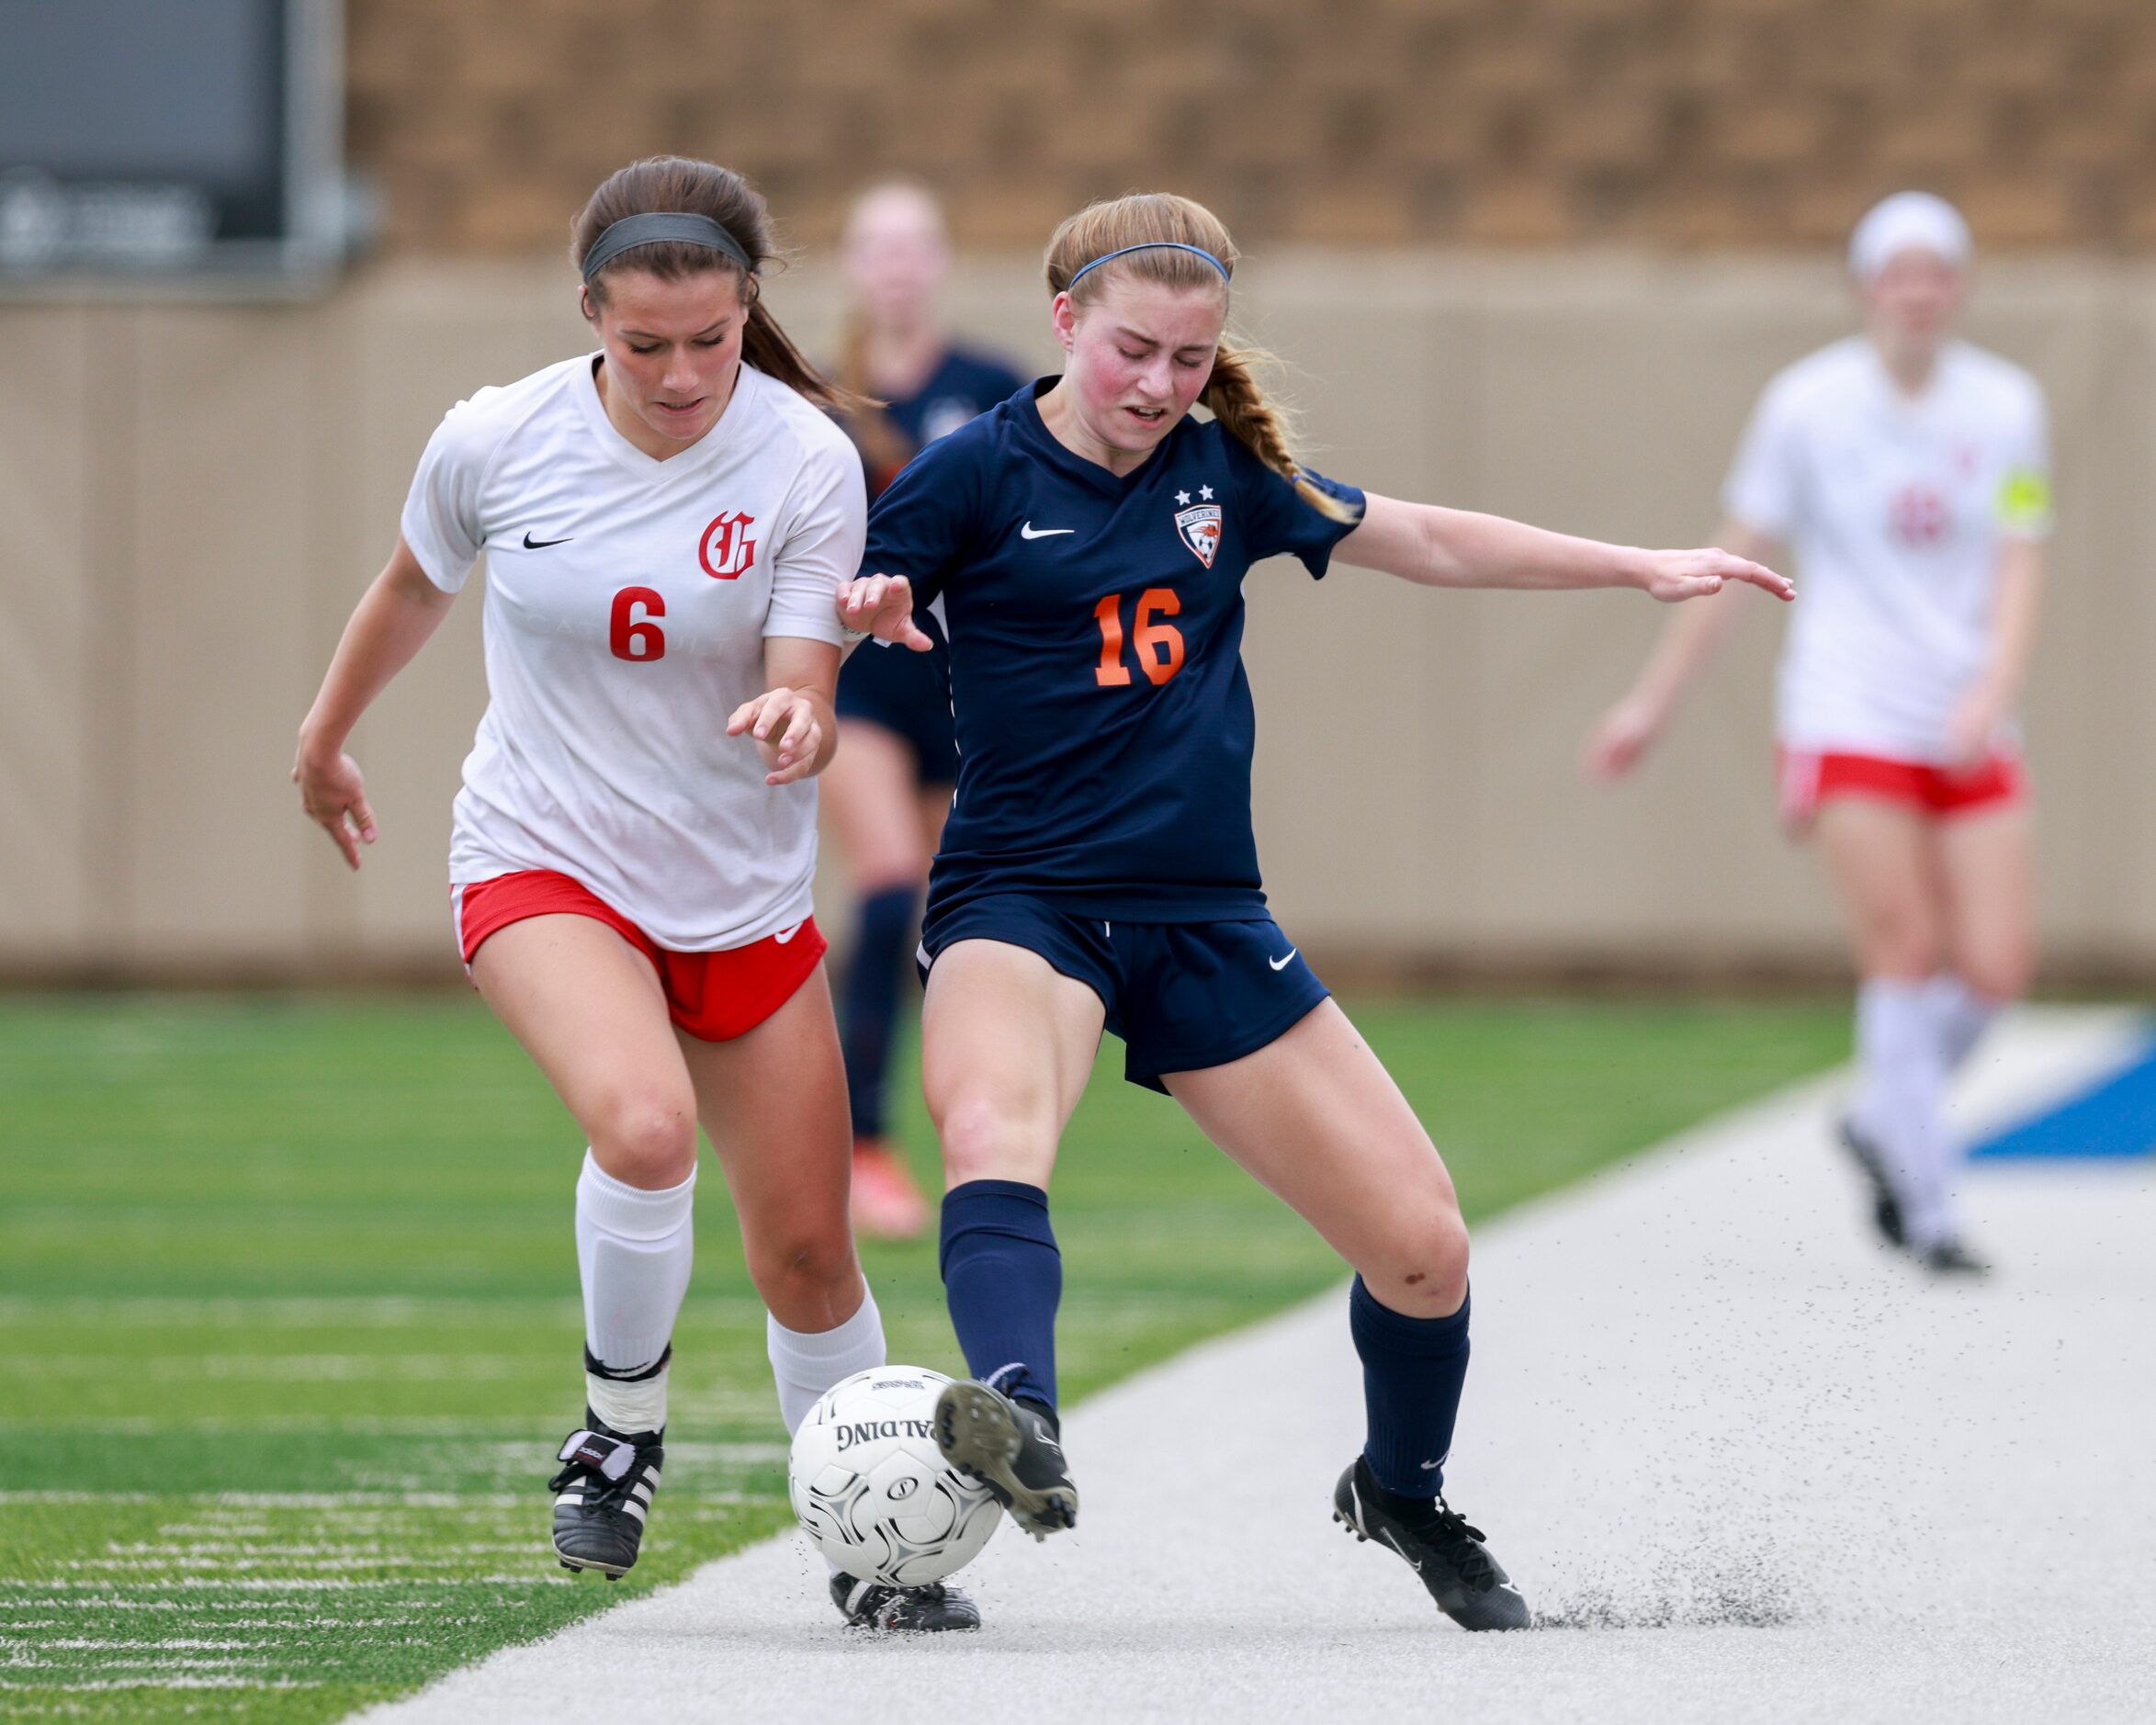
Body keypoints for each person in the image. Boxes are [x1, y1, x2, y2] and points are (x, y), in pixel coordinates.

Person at [834, 192, 1789, 1630]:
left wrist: (1634, 565)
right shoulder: (970, 471)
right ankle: (1014, 1413)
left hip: (1207, 913)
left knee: (1423, 1248)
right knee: (990, 1130)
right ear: (1063, 324)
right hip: (1024, 897)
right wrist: (853, 612)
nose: (1158, 384)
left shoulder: (1225, 472)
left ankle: (1397, 1487)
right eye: (1130, 350)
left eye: (1186, 355)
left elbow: (1428, 538)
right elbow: (845, 586)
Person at [291, 156, 977, 1632]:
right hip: (543, 855)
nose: (677, 372)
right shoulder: (495, 437)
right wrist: (326, 733)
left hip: (735, 889)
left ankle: (872, 1537)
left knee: (806, 1253)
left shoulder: (803, 456)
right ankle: (619, 1428)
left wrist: (800, 714)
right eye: (642, 342)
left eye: (710, 341)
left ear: (751, 314)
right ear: (589, 313)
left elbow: (803, 672)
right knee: (645, 1124)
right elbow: (415, 584)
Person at [1586, 192, 2050, 1278]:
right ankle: (1929, 1206)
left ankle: (1886, 1111)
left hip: (1967, 711)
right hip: (1849, 711)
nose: (1918, 293)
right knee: (1903, 946)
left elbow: (2021, 554)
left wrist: (1991, 685)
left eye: (1938, 272)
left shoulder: (2006, 406)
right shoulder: (1806, 406)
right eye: (1899, 273)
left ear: (1959, 288)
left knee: (1992, 969)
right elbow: (1736, 555)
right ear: (1864, 288)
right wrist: (1650, 704)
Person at [823, 183, 1027, 1241]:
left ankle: (975, 1132)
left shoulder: (992, 386)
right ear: (855, 266)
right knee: (889, 883)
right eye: (878, 248)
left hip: (963, 682)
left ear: (937, 262)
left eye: (915, 248)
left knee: (955, 920)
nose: (897, 267)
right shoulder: (821, 397)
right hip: (865, 681)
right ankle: (860, 1140)